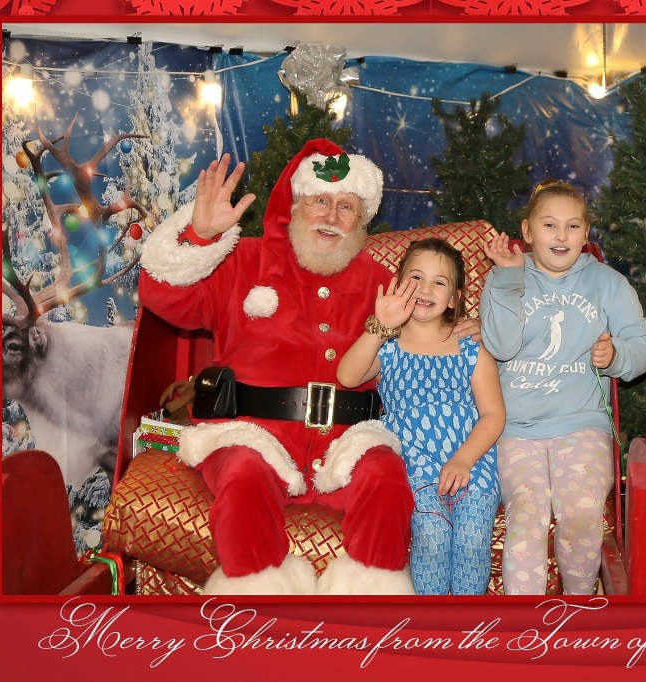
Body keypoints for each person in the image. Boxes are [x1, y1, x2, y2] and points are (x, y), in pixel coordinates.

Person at [138, 139, 479, 594]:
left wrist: (467, 327)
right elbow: (163, 299)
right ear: (297, 205)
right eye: (320, 201)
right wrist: (200, 237)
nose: (331, 217)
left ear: (363, 220)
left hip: (346, 441)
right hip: (252, 434)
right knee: (242, 480)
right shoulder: (242, 261)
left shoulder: (382, 284)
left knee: (386, 478)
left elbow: (429, 326)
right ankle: (257, 611)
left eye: (346, 207)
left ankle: (370, 614)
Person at [479, 180, 646, 595]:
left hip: (581, 425)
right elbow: (500, 346)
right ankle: (524, 623)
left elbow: (644, 348)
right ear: (527, 231)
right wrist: (508, 278)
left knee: (580, 513)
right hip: (515, 430)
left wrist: (616, 356)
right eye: (549, 225)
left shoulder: (608, 283)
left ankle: (577, 608)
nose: (561, 236)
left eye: (573, 226)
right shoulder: (503, 277)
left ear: (586, 232)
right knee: (526, 519)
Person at [337, 238, 505, 595]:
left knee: (472, 539)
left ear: (454, 298)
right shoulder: (388, 346)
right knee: (432, 536)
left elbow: (493, 415)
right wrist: (379, 326)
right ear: (398, 284)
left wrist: (463, 460)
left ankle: (468, 622)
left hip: (472, 463)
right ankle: (429, 620)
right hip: (415, 467)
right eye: (415, 277)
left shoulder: (471, 350)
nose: (425, 289)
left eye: (439, 282)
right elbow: (347, 377)